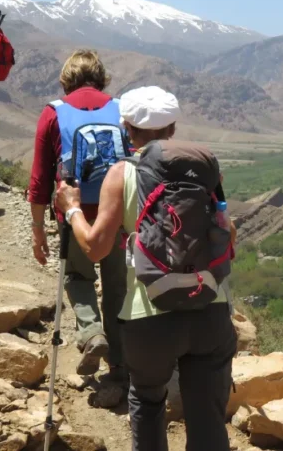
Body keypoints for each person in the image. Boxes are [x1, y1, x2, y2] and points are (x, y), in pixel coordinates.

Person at [54, 86, 237, 450]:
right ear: (172, 127)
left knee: (149, 402)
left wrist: (72, 208)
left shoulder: (121, 174)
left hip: (147, 316)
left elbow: (94, 248)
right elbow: (227, 236)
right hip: (210, 310)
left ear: (127, 128)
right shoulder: (204, 169)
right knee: (207, 418)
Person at [27, 50, 128, 378]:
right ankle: (121, 362)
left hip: (75, 214)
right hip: (118, 215)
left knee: (78, 277)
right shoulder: (121, 110)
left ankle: (91, 332)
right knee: (117, 285)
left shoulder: (53, 114)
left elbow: (41, 179)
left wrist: (37, 228)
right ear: (101, 76)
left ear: (66, 79)